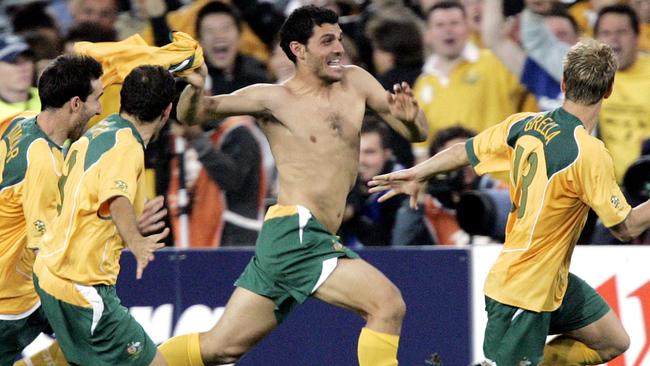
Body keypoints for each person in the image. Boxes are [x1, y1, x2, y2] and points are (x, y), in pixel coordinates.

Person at [160, 5, 427, 366]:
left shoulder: (357, 81)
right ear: (299, 50)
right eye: (327, 41)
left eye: (340, 39)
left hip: (297, 238)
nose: (338, 49)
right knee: (386, 304)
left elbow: (417, 131)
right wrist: (193, 87)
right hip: (298, 231)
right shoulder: (274, 99)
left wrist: (410, 121)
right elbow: (195, 113)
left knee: (221, 347)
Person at [370, 39, 650, 365]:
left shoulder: (523, 124)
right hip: (524, 290)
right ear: (609, 90)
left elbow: (466, 151)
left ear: (563, 83)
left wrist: (420, 171)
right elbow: (624, 228)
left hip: (548, 281)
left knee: (612, 341)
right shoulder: (589, 153)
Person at [33, 65, 174, 366]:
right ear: (167, 111)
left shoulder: (100, 131)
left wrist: (126, 229)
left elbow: (88, 204)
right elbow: (117, 197)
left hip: (49, 272)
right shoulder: (127, 147)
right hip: (81, 286)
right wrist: (135, 240)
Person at [594, 5, 650, 182]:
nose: (614, 39)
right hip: (606, 190)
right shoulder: (589, 77)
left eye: (622, 31)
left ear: (637, 36)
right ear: (596, 38)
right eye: (606, 32)